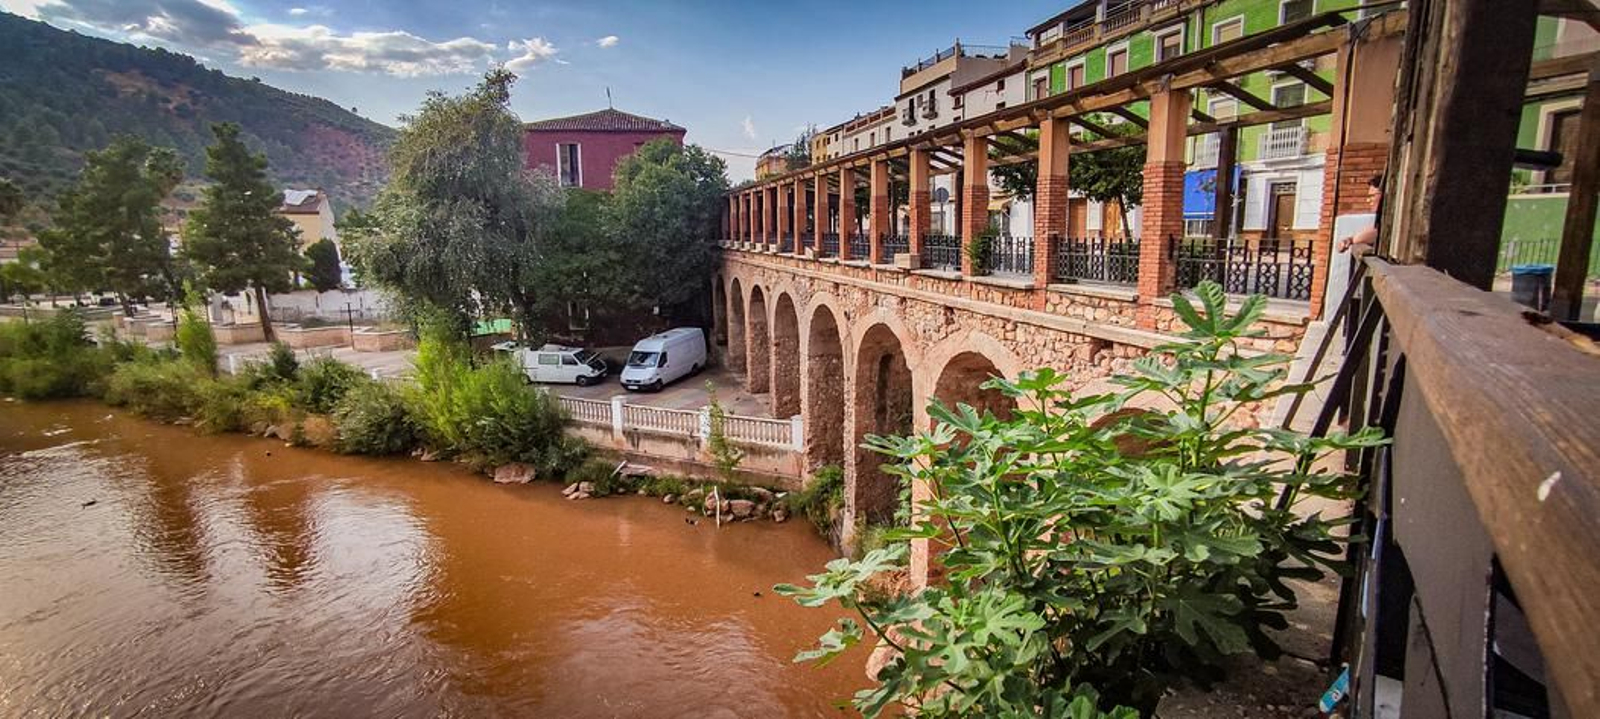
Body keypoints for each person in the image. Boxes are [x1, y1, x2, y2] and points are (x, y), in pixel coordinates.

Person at [1337, 175, 1384, 255]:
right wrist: (1350, 240)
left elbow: (1377, 233)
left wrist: (1351, 240)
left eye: (1372, 196)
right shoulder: (1381, 216)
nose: (1368, 200)